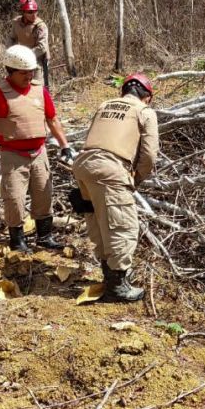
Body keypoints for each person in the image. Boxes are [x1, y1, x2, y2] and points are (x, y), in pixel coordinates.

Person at [0, 44, 76, 252]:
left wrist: (65, 146)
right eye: (23, 73)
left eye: (31, 72)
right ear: (10, 71)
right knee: (14, 198)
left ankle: (45, 237)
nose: (28, 76)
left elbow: (52, 120)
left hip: (39, 153)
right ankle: (17, 240)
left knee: (43, 195)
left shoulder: (40, 90)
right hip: (12, 155)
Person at [71, 73, 159, 302]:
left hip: (83, 164)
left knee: (99, 221)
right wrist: (134, 181)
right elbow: (149, 155)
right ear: (147, 97)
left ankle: (111, 274)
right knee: (123, 227)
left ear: (123, 91)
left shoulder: (105, 105)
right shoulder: (144, 111)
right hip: (110, 169)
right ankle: (117, 287)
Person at [5, 0, 51, 88]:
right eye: (30, 12)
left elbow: (42, 47)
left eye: (35, 11)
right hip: (20, 59)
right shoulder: (17, 22)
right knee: (16, 85)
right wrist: (11, 52)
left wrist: (26, 55)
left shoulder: (40, 26)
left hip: (37, 60)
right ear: (23, 12)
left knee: (37, 87)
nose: (34, 15)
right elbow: (11, 37)